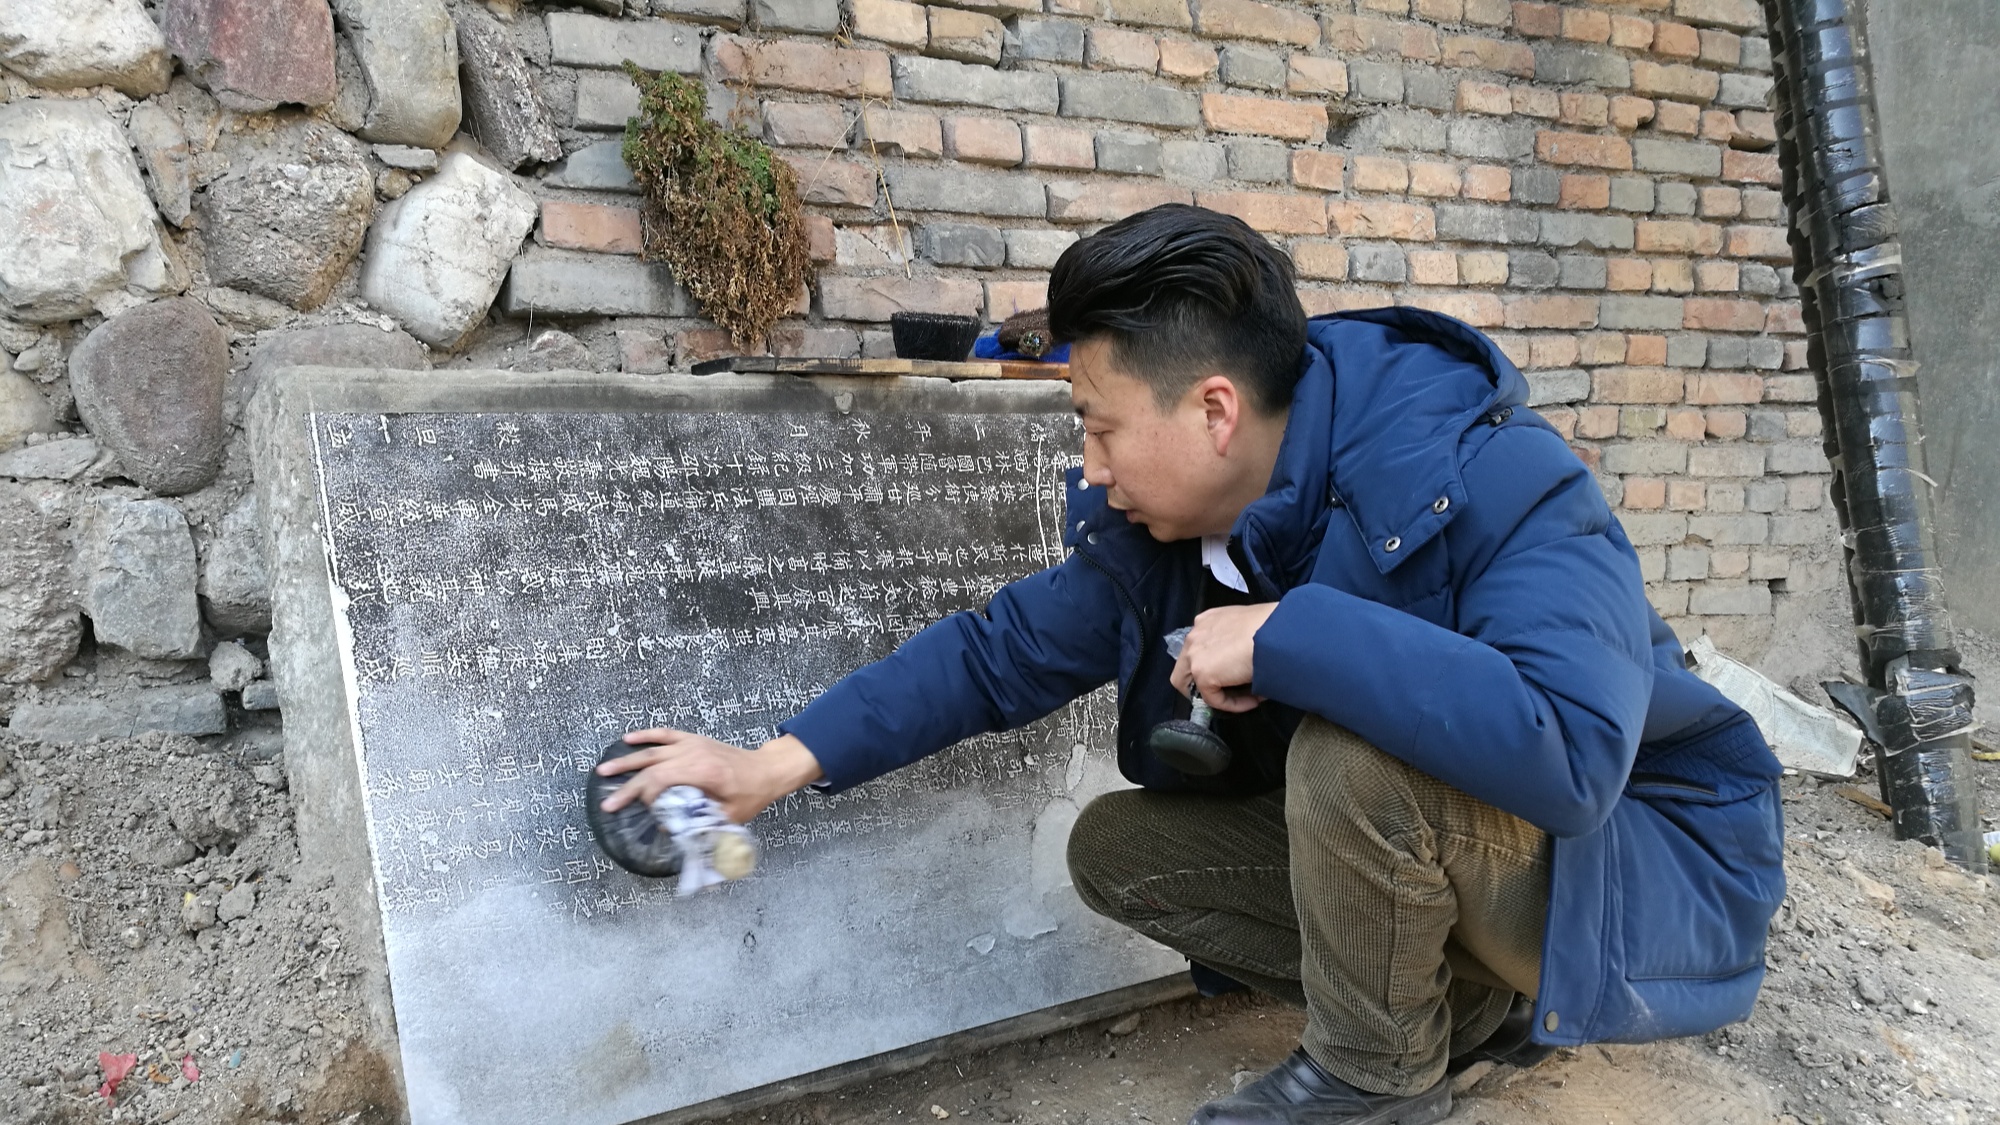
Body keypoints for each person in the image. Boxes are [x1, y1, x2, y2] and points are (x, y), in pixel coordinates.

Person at [597, 204, 1787, 1125]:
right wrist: (769, 765)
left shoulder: (1491, 475)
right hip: (1471, 871)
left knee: (1348, 758)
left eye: (1098, 426)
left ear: (1213, 412)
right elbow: (994, 655)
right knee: (1121, 852)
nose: (1090, 467)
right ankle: (1466, 1016)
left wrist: (1289, 635)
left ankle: (1373, 1078)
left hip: (1625, 878)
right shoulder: (1173, 534)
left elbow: (1573, 755)